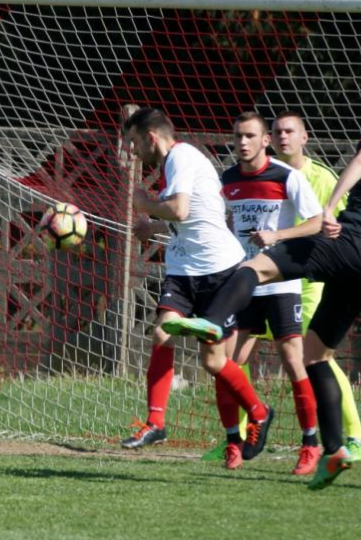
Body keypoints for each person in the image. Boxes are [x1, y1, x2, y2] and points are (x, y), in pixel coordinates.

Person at [171, 113, 361, 489]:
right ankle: (333, 450)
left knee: (256, 266)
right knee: (315, 355)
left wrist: (332, 204)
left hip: (349, 244)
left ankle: (211, 320)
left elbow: (360, 162)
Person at [119, 107, 274, 462]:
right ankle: (155, 423)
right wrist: (154, 227)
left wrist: (144, 203)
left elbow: (180, 210)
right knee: (162, 333)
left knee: (214, 361)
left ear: (150, 138)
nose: (133, 151)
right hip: (184, 269)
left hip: (220, 272)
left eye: (133, 143)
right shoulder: (175, 163)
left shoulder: (181, 157)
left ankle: (258, 413)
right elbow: (195, 218)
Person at [218, 112, 323, 474]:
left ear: (265, 141)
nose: (242, 143)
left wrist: (277, 237)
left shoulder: (287, 176)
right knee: (224, 363)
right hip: (241, 281)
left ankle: (310, 443)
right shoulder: (226, 180)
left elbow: (317, 222)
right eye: (237, 136)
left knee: (293, 361)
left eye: (249, 136)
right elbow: (217, 221)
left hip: (279, 281)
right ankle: (233, 441)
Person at [271, 110, 361, 463]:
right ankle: (237, 436)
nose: (283, 137)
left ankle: (356, 436)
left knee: (315, 355)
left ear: (305, 138)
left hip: (310, 279)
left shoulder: (322, 177)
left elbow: (340, 225)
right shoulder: (264, 172)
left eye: (290, 131)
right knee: (236, 344)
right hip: (268, 275)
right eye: (278, 132)